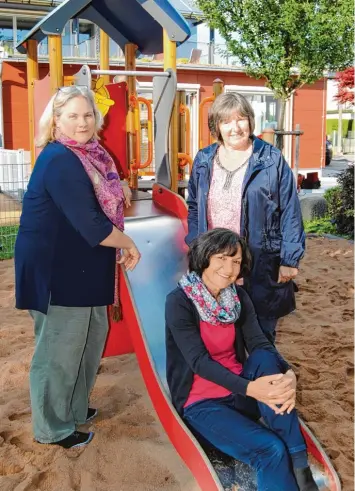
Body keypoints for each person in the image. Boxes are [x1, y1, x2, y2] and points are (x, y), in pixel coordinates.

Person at [15, 86, 141, 449]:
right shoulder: (59, 159)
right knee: (60, 350)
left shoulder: (93, 155)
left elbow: (105, 190)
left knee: (89, 341)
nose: (82, 122)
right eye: (72, 115)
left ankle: (73, 408)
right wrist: (128, 242)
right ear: (56, 120)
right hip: (57, 269)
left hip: (84, 264)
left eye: (87, 115)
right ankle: (53, 428)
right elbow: (92, 224)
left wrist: (123, 188)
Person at [166, 229, 319, 491]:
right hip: (202, 402)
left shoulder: (236, 298)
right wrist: (252, 388)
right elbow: (199, 362)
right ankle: (296, 469)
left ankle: (299, 461)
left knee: (264, 359)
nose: (229, 269)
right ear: (205, 257)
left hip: (239, 392)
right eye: (222, 259)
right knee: (269, 449)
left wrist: (288, 373)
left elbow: (260, 342)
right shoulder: (179, 301)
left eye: (236, 261)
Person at [186, 92, 305, 343]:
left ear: (250, 121)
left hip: (259, 260)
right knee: (220, 333)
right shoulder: (204, 159)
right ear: (216, 126)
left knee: (260, 332)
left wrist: (289, 259)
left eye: (241, 119)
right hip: (215, 261)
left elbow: (290, 211)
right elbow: (195, 205)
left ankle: (263, 376)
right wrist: (196, 245)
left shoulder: (270, 160)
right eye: (226, 121)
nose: (235, 127)